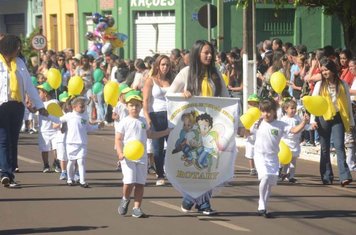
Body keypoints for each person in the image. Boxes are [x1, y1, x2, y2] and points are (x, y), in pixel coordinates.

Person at [167, 40, 229, 215]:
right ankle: (198, 201)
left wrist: (235, 122)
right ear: (197, 54)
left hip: (212, 126)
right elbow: (169, 94)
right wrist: (182, 94)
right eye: (205, 53)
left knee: (209, 166)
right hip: (193, 129)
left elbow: (226, 98)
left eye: (211, 53)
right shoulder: (186, 73)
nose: (209, 56)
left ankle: (193, 200)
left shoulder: (216, 74)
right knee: (196, 165)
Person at [0, 34, 47, 188]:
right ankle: (6, 173)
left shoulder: (19, 63)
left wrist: (40, 106)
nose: (19, 49)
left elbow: (29, 86)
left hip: (17, 105)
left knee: (13, 139)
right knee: (4, 139)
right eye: (16, 46)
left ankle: (9, 171)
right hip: (1, 106)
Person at [116, 90, 171, 218]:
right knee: (129, 182)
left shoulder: (143, 121)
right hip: (128, 157)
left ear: (141, 106)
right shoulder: (124, 121)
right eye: (131, 105)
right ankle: (125, 198)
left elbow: (150, 135)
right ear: (127, 106)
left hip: (141, 157)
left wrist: (165, 132)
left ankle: (137, 208)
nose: (134, 107)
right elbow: (118, 139)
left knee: (140, 183)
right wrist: (119, 152)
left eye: (137, 105)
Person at [252, 98, 308, 218]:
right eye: (263, 111)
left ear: (274, 112)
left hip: (273, 157)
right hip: (260, 155)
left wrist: (303, 123)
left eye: (268, 111)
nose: (266, 114)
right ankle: (261, 203)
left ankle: (264, 207)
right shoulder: (258, 122)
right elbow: (246, 131)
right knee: (265, 177)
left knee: (270, 183)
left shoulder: (280, 125)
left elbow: (294, 130)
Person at [310, 57, 353, 187]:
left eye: (326, 70)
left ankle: (344, 176)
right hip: (323, 118)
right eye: (322, 71)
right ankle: (326, 175)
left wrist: (351, 122)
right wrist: (313, 120)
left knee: (339, 146)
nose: (324, 73)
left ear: (333, 70)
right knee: (325, 148)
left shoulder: (343, 84)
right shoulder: (319, 85)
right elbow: (314, 103)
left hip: (338, 117)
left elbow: (348, 105)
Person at [58, 96, 104, 187]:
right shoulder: (69, 116)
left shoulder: (85, 117)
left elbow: (88, 128)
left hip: (82, 143)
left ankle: (82, 181)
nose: (83, 108)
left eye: (84, 107)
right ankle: (69, 179)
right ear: (74, 107)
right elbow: (58, 120)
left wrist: (98, 126)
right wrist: (51, 118)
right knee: (71, 162)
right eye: (81, 106)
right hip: (71, 143)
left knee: (81, 162)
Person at [142, 55, 173, 186]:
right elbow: (145, 101)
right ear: (157, 66)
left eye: (167, 65)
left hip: (171, 116)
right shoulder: (150, 81)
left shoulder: (171, 80)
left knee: (172, 146)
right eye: (162, 64)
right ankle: (160, 174)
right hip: (156, 115)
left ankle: (172, 173)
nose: (165, 67)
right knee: (157, 147)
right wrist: (147, 117)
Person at [280, 98, 309, 183]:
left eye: (295, 108)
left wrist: (310, 126)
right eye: (291, 108)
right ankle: (283, 173)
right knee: (286, 160)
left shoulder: (297, 118)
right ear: (286, 109)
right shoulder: (283, 120)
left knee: (293, 161)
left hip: (295, 142)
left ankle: (291, 176)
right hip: (286, 142)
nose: (294, 110)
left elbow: (303, 125)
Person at [37, 82, 61, 173]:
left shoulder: (54, 102)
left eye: (40, 93)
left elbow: (59, 112)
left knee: (56, 148)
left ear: (45, 93)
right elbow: (33, 110)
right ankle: (46, 165)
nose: (39, 94)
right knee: (44, 149)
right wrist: (29, 107)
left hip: (54, 130)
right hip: (44, 131)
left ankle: (56, 162)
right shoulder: (40, 103)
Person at [244, 94, 260, 176]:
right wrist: (245, 132)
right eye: (251, 104)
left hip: (259, 138)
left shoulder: (260, 115)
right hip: (250, 137)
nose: (253, 106)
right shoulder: (246, 114)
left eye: (255, 104)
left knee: (259, 153)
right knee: (250, 154)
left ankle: (259, 168)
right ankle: (252, 169)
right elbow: (244, 124)